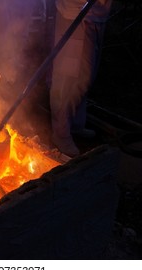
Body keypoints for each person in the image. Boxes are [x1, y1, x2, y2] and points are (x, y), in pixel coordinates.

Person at [49, 0, 113, 157]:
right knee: (71, 78)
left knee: (85, 75)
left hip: (95, 14)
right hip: (76, 14)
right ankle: (61, 133)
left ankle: (75, 124)